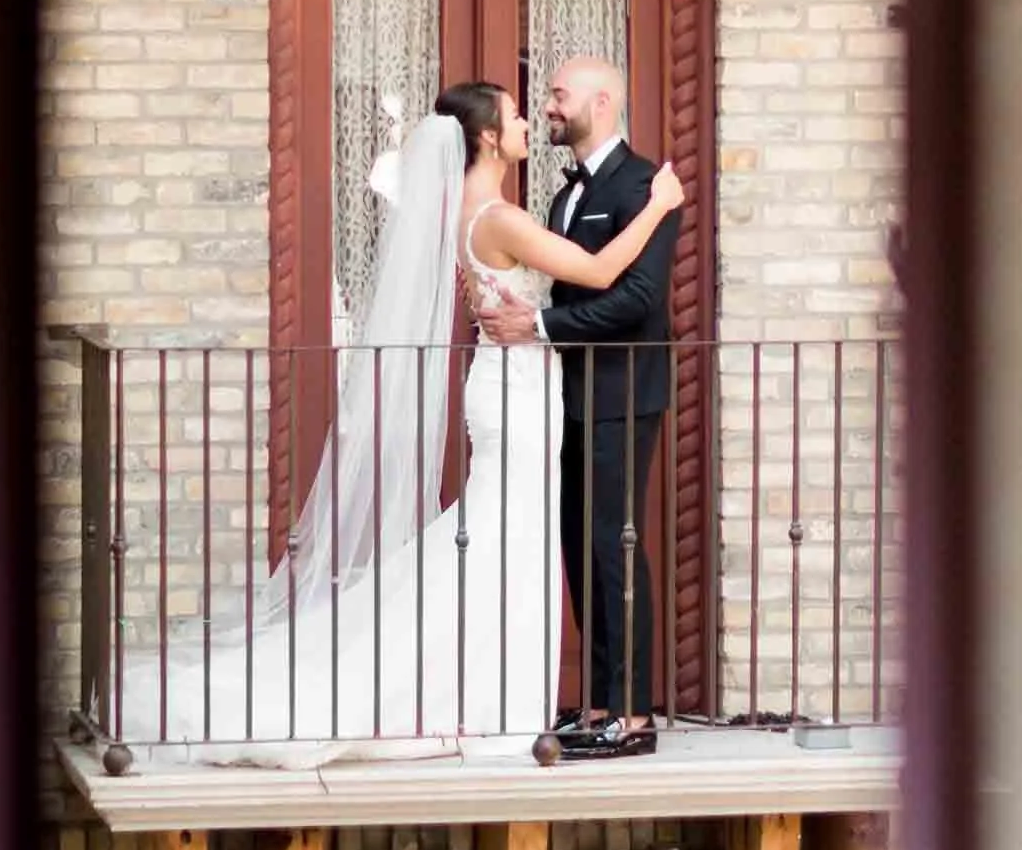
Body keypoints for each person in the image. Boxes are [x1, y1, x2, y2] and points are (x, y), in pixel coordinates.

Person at [117, 81, 682, 763]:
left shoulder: (471, 209)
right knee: (509, 536)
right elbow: (595, 269)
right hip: (517, 390)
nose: (528, 120)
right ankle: (487, 704)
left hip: (515, 383)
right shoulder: (497, 216)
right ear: (485, 139)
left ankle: (499, 702)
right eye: (514, 115)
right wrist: (657, 209)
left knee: (506, 538)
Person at [476, 57, 679, 759]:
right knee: (579, 545)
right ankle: (596, 705)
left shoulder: (643, 184)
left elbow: (634, 300)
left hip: (622, 392)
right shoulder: (562, 196)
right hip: (566, 393)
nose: (549, 106)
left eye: (559, 96)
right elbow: (570, 287)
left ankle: (633, 716)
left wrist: (536, 328)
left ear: (602, 100)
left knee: (614, 544)